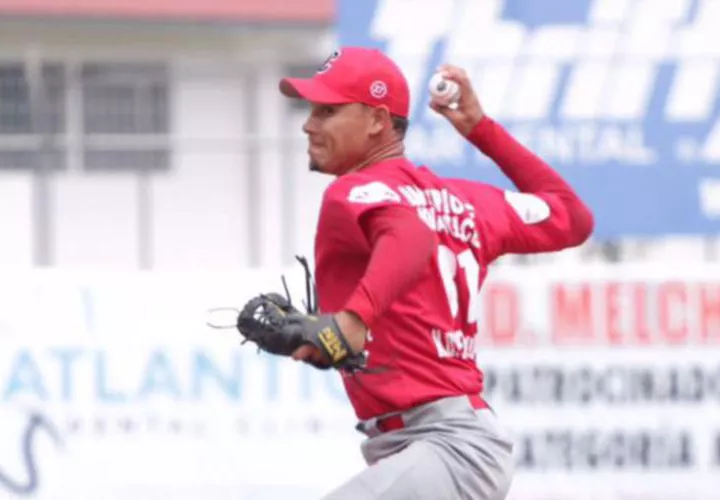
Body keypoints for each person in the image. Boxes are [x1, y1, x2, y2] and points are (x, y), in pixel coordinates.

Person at [277, 46, 594, 500]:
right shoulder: (470, 202)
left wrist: (353, 318)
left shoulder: (355, 190)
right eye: (312, 109)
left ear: (376, 120)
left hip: (446, 448)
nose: (310, 123)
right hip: (442, 445)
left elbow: (411, 237)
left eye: (328, 110)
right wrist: (481, 131)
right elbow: (571, 215)